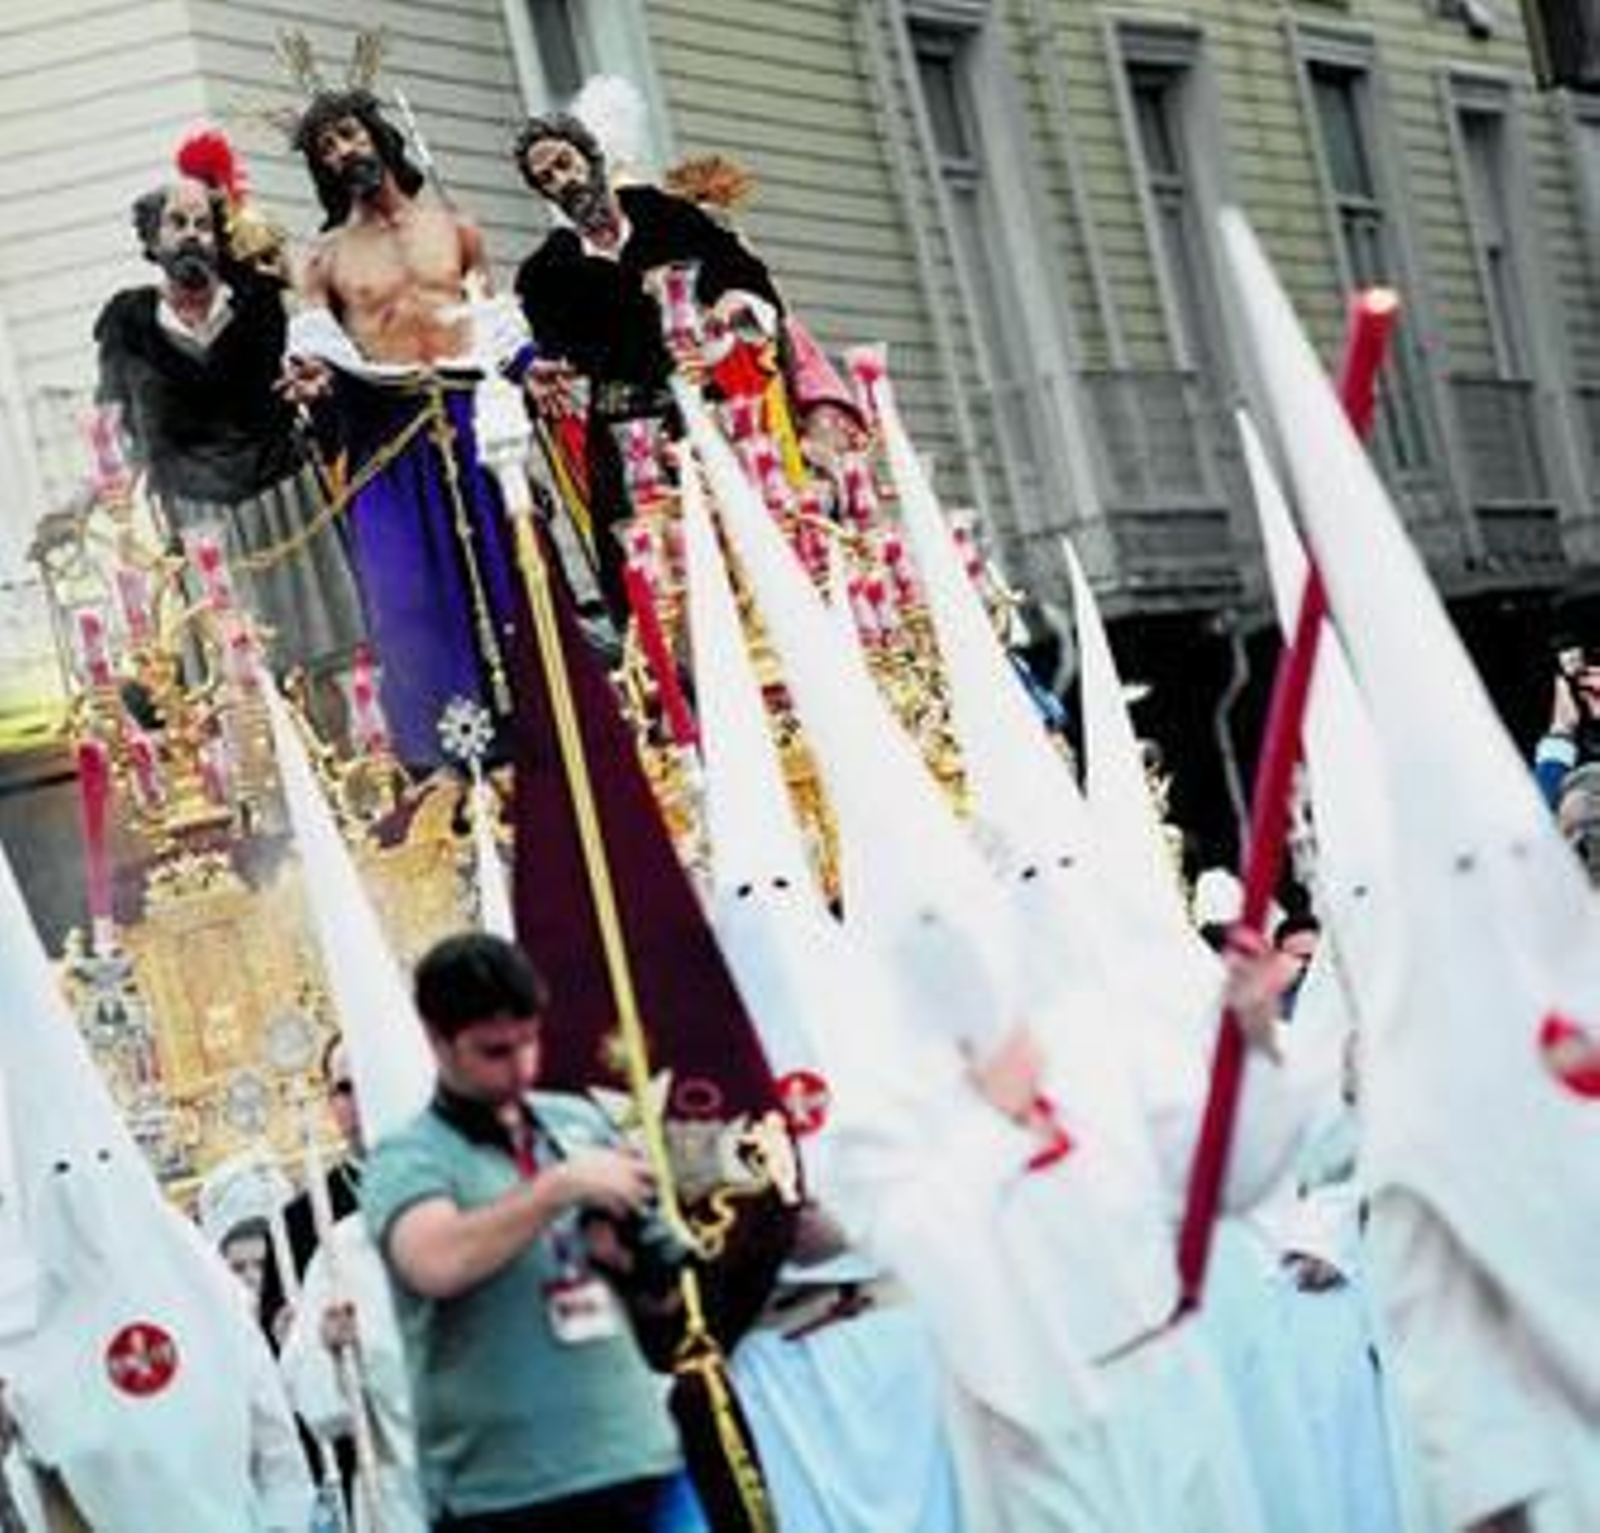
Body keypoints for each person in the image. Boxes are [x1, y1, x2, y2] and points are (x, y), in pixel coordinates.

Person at [362, 932, 702, 1531]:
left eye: (529, 1042)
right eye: (494, 1050)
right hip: (507, 1490)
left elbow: (661, 1294)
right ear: (439, 1041)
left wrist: (636, 1263)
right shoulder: (410, 1156)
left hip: (634, 1452)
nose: (521, 1067)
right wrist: (555, 1190)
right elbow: (433, 1261)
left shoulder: (575, 1122)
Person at [285, 89, 525, 765]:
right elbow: (317, 351)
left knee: (507, 570)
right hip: (386, 429)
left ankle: (542, 736)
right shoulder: (323, 259)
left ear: (378, 135)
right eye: (325, 148)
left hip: (469, 414)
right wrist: (315, 382)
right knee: (407, 592)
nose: (342, 153)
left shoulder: (457, 228)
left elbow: (498, 327)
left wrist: (530, 372)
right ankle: (444, 762)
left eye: (348, 135)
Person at [94, 171, 366, 686]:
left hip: (284, 497)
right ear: (153, 240)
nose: (193, 233)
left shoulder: (262, 299)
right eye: (177, 223)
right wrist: (92, 498)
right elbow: (108, 420)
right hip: (199, 512)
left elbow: (318, 348)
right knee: (236, 676)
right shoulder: (128, 321)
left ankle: (347, 763)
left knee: (325, 666)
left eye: (204, 224)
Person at [511, 109, 785, 617]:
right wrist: (540, 370)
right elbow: (550, 351)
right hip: (623, 433)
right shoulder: (546, 274)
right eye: (545, 178)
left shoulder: (666, 216)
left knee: (746, 553)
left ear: (590, 157)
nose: (562, 181)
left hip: (705, 413)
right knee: (655, 583)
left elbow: (744, 272)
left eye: (565, 163)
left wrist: (732, 300)